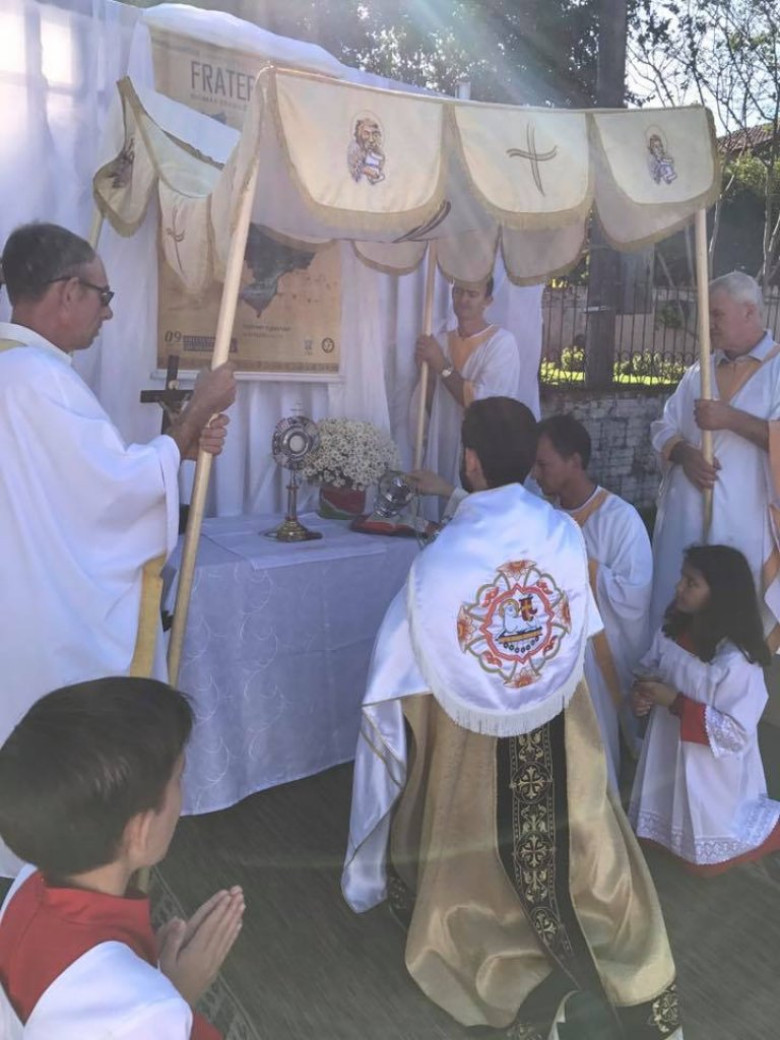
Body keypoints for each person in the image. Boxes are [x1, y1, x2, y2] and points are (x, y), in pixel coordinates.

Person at [343, 397, 681, 1039]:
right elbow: (580, 625)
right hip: (559, 730)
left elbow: (394, 675)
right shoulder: (560, 533)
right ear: (529, 459)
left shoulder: (439, 563)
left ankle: (489, 933)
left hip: (473, 754)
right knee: (577, 853)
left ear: (470, 460)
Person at [0, 222, 236, 876]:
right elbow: (116, 495)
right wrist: (193, 417)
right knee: (66, 768)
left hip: (19, 601)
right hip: (48, 619)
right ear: (67, 291)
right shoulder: (37, 381)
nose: (107, 314)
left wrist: (181, 444)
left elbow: (90, 486)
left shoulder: (17, 373)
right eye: (103, 297)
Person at [0, 676, 245, 1039]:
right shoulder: (147, 1013)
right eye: (179, 777)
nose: (183, 792)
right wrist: (173, 995)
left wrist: (147, 975)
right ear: (140, 830)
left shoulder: (27, 886)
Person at [629, 545, 780, 877]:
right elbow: (648, 668)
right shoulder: (671, 632)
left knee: (704, 857)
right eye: (682, 578)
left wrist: (676, 702)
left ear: (720, 594)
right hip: (667, 753)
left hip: (711, 771)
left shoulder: (736, 661)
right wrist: (642, 695)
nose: (678, 587)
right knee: (660, 825)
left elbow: (736, 733)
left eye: (691, 582)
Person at [649, 270, 780, 642]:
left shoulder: (778, 371)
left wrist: (730, 418)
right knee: (674, 610)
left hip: (744, 520)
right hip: (685, 518)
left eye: (716, 314)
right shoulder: (699, 371)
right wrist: (684, 452)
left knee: (733, 625)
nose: (707, 324)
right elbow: (662, 427)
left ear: (749, 312)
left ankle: (728, 691)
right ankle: (668, 685)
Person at [533, 414, 653, 791]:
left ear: (575, 461)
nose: (535, 474)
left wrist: (580, 566)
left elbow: (634, 594)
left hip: (597, 657)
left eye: (544, 464)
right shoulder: (542, 515)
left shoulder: (621, 519)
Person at [412, 277, 536, 496]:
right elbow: (430, 404)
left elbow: (483, 407)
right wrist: (427, 376)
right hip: (442, 442)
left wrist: (441, 365)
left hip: (480, 454)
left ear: (487, 300)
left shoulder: (501, 343)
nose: (464, 300)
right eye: (459, 292)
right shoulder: (439, 342)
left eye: (472, 294)